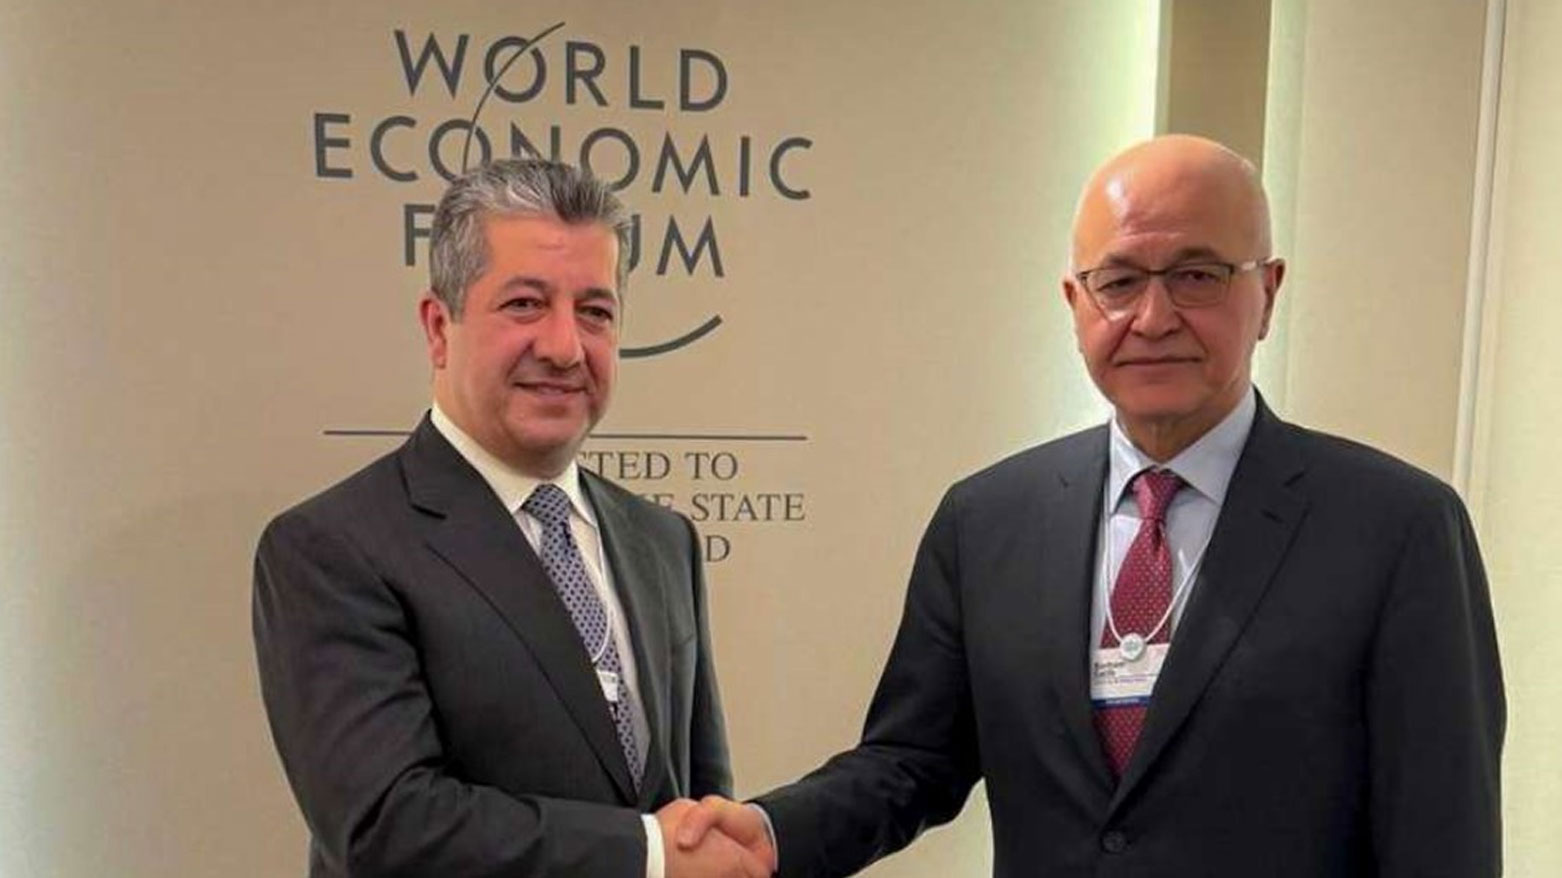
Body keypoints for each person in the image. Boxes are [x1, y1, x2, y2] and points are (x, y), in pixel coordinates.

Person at [676, 135, 1505, 877]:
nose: (1153, 317)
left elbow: (1443, 832)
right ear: (1075, 303)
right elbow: (911, 762)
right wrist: (771, 835)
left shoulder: (1397, 529)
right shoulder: (987, 522)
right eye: (1119, 281)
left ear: (1268, 292)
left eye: (1197, 276)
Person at [253, 158, 766, 877]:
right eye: (525, 304)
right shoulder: (332, 549)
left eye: (595, 312)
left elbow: (700, 804)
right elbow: (387, 827)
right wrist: (648, 854)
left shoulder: (662, 540)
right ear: (439, 327)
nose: (564, 347)